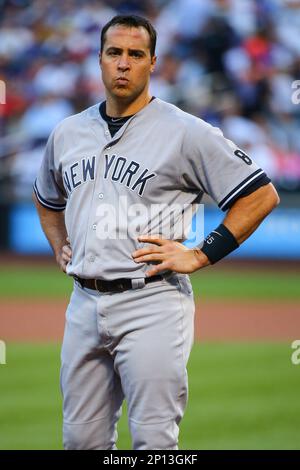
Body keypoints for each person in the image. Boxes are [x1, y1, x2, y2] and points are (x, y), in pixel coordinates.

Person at [33, 14, 279, 450]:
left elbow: (259, 195)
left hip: (153, 301)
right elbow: (47, 197)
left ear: (153, 63)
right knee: (80, 442)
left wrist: (201, 254)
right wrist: (59, 244)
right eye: (114, 53)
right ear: (100, 60)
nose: (123, 64)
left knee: (153, 443)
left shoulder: (187, 132)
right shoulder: (67, 133)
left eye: (135, 54)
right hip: (83, 303)